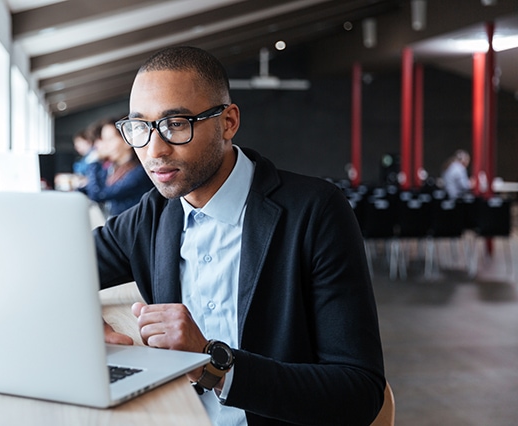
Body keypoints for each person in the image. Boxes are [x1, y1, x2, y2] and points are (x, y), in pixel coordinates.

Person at [95, 46, 385, 425]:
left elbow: (358, 393)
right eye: (140, 128)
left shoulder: (315, 212)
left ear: (228, 122)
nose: (155, 149)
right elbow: (53, 268)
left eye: (177, 124)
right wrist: (88, 328)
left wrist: (212, 362)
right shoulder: (154, 215)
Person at [83, 116, 153, 217]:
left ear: (127, 141)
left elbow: (98, 194)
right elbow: (96, 186)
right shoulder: (115, 167)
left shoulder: (140, 171)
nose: (104, 146)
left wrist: (94, 161)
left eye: (109, 139)